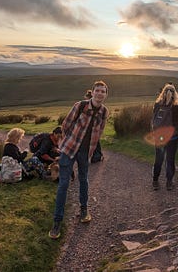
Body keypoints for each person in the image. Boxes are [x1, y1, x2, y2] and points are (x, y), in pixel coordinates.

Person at [49, 81, 109, 239]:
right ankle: (57, 222)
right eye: (97, 90)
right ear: (93, 92)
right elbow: (66, 124)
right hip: (69, 149)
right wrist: (65, 143)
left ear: (105, 94)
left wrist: (92, 152)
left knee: (84, 179)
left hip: (85, 152)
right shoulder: (80, 106)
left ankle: (84, 209)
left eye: (103, 91)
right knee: (63, 184)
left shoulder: (104, 112)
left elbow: (99, 132)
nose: (100, 93)